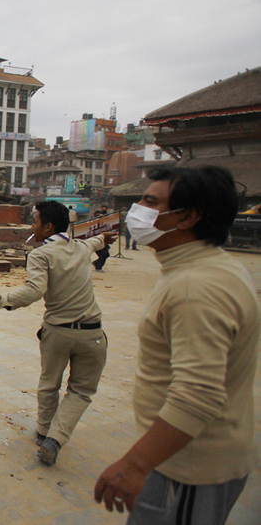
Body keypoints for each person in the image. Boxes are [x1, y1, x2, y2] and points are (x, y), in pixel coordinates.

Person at [95, 166, 259, 523]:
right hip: (179, 456)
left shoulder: (196, 286)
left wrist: (135, 464)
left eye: (150, 202)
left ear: (187, 217)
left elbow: (198, 393)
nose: (137, 208)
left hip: (188, 466)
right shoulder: (205, 269)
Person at [0, 200, 117, 466]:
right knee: (81, 392)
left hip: (57, 332)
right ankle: (55, 439)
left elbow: (34, 291)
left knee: (49, 385)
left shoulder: (40, 255)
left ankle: (45, 432)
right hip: (92, 333)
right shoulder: (80, 247)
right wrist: (104, 236)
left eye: (35, 221)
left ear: (47, 227)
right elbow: (96, 242)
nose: (32, 226)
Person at [92, 205, 111, 272]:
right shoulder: (92, 223)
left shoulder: (103, 223)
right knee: (102, 254)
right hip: (96, 241)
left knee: (106, 254)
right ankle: (98, 267)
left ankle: (97, 263)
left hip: (103, 241)